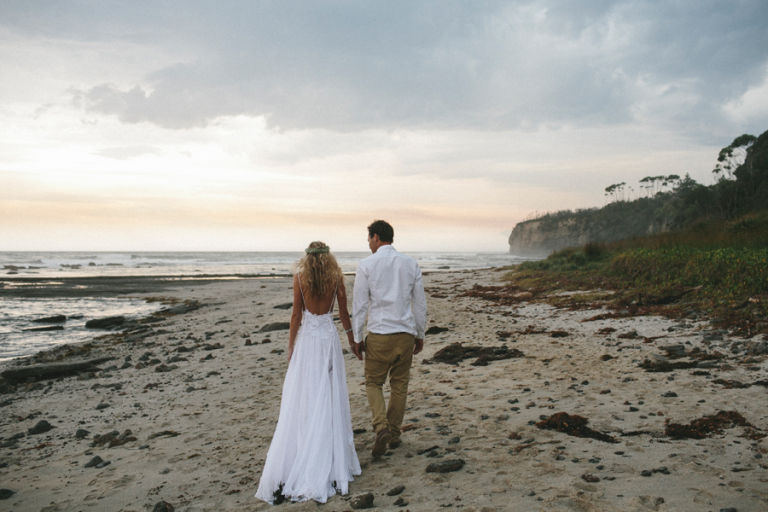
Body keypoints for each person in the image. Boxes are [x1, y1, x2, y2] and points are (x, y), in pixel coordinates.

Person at [255, 241, 361, 504]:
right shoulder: (336, 278)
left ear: (308, 258)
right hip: (327, 339)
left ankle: (307, 449)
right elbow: (344, 314)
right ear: (328, 259)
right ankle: (328, 456)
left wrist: (291, 347)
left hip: (308, 341)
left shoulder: (299, 278)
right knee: (329, 393)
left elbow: (295, 316)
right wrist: (352, 340)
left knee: (306, 396)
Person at [351, 220, 427, 457]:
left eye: (369, 239)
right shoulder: (410, 263)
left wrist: (356, 336)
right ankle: (393, 433)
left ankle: (381, 426)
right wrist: (420, 333)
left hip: (380, 333)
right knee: (399, 384)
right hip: (405, 333)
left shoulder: (366, 265)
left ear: (376, 237)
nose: (368, 243)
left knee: (373, 383)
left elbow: (360, 304)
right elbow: (420, 303)